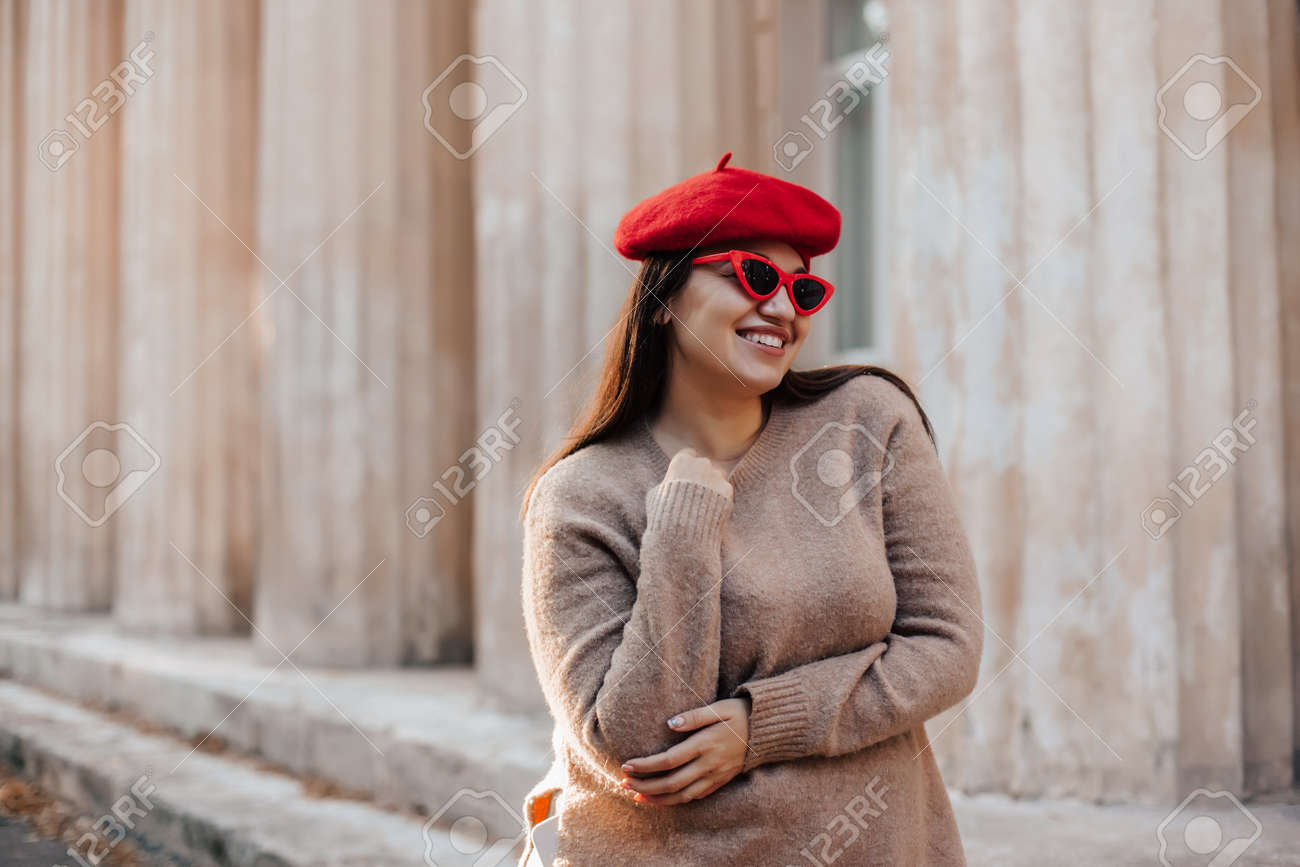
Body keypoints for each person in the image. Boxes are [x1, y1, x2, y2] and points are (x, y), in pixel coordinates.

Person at [516, 151, 984, 866]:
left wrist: (759, 724)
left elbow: (947, 646)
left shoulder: (868, 422)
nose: (781, 308)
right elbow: (635, 746)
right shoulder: (580, 494)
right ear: (665, 297)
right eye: (754, 276)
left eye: (801, 289)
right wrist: (684, 518)